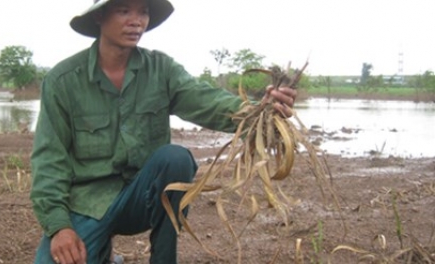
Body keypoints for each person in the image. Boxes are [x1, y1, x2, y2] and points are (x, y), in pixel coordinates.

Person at [30, 0, 297, 263]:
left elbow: (208, 102)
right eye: (124, 10)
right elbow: (49, 160)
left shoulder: (161, 70)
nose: (136, 21)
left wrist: (260, 111)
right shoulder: (62, 81)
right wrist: (59, 227)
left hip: (141, 199)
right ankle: (102, 251)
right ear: (99, 16)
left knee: (175, 159)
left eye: (143, 12)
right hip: (86, 205)